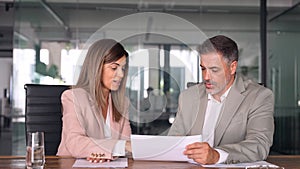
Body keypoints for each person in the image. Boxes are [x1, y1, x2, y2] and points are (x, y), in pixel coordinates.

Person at [168, 35, 274, 164]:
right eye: (203, 68)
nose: (206, 77)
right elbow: (173, 141)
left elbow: (259, 144)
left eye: (214, 70)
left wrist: (217, 155)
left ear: (232, 67)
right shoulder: (188, 97)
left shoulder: (258, 97)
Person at [57, 39, 132, 162]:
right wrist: (112, 149)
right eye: (114, 68)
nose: (121, 75)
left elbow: (128, 147)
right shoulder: (72, 97)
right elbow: (75, 143)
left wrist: (102, 153)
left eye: (123, 69)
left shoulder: (122, 103)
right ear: (96, 67)